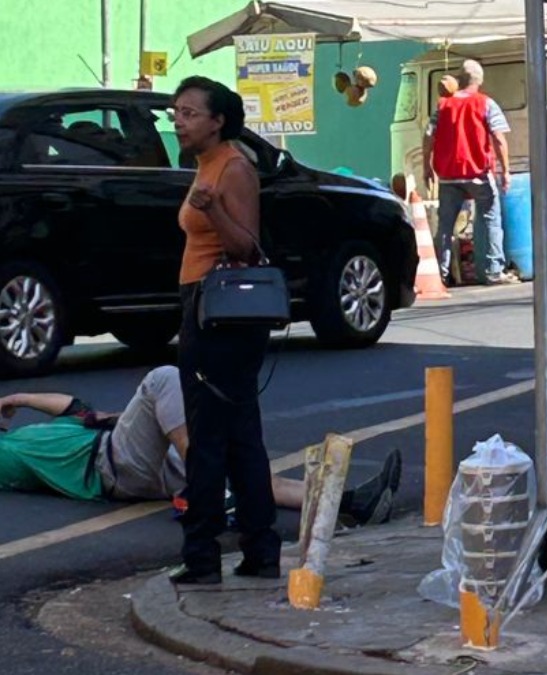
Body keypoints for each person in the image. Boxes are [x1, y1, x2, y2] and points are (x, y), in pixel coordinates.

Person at [0, 366, 402, 526]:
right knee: (162, 379)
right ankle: (208, 485)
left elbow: (77, 407)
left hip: (134, 455)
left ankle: (351, 503)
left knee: (242, 469)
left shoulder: (26, 435)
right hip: (113, 467)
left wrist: (17, 399)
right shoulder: (8, 454)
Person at [173, 76, 278, 584]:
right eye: (177, 112)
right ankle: (259, 551)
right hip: (201, 305)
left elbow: (246, 247)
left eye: (191, 113)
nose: (180, 121)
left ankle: (202, 555)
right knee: (236, 434)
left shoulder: (232, 167)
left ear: (218, 121)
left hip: (219, 314)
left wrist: (213, 209)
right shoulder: (206, 164)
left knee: (212, 437)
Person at [423, 60, 520, 286]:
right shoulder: (485, 103)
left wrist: (427, 166)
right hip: (478, 172)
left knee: (445, 226)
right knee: (490, 220)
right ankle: (493, 270)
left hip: (448, 175)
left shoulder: (443, 105)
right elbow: (498, 138)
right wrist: (505, 171)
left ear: (459, 79)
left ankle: (441, 274)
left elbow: (429, 136)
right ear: (480, 81)